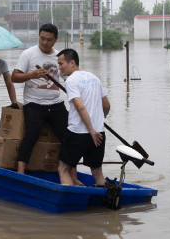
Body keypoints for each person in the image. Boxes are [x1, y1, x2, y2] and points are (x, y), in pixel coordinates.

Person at [12, 23, 68, 174]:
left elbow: (67, 79)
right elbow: (14, 77)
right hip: (34, 104)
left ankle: (68, 171)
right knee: (31, 134)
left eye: (49, 40)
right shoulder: (28, 54)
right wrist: (31, 75)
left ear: (55, 39)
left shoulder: (59, 57)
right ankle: (20, 171)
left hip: (56, 104)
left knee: (69, 136)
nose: (44, 42)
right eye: (42, 38)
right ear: (38, 36)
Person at [56, 48, 110, 187]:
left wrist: (91, 129)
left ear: (72, 62)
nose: (59, 67)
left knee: (63, 169)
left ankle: (69, 202)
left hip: (78, 133)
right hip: (99, 134)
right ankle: (103, 204)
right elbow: (106, 106)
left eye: (61, 64)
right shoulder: (94, 78)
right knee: (97, 172)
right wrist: (98, 124)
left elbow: (80, 106)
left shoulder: (71, 80)